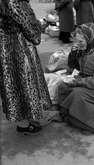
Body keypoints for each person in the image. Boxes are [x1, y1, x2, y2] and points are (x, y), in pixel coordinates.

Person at [0, 0, 54, 134]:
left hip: (5, 48)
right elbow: (33, 33)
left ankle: (22, 121)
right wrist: (39, 25)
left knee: (14, 85)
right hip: (20, 48)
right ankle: (30, 122)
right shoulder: (16, 2)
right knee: (27, 85)